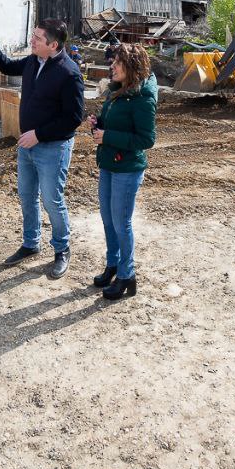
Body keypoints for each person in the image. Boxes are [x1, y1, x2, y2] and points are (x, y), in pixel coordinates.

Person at [0, 19, 85, 279]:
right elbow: (5, 65)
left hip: (52, 148)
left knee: (52, 200)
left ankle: (62, 249)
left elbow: (73, 118)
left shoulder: (69, 73)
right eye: (33, 35)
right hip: (27, 146)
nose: (32, 40)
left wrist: (39, 134)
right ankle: (30, 243)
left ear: (53, 44)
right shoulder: (33, 61)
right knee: (27, 196)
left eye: (37, 37)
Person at [88, 43, 157, 300]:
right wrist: (98, 125)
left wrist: (108, 136)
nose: (112, 66)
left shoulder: (143, 98)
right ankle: (113, 265)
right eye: (113, 62)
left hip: (127, 169)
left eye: (117, 63)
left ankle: (127, 276)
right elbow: (112, 128)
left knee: (121, 223)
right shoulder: (116, 91)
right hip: (108, 163)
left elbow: (146, 139)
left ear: (132, 67)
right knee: (108, 221)